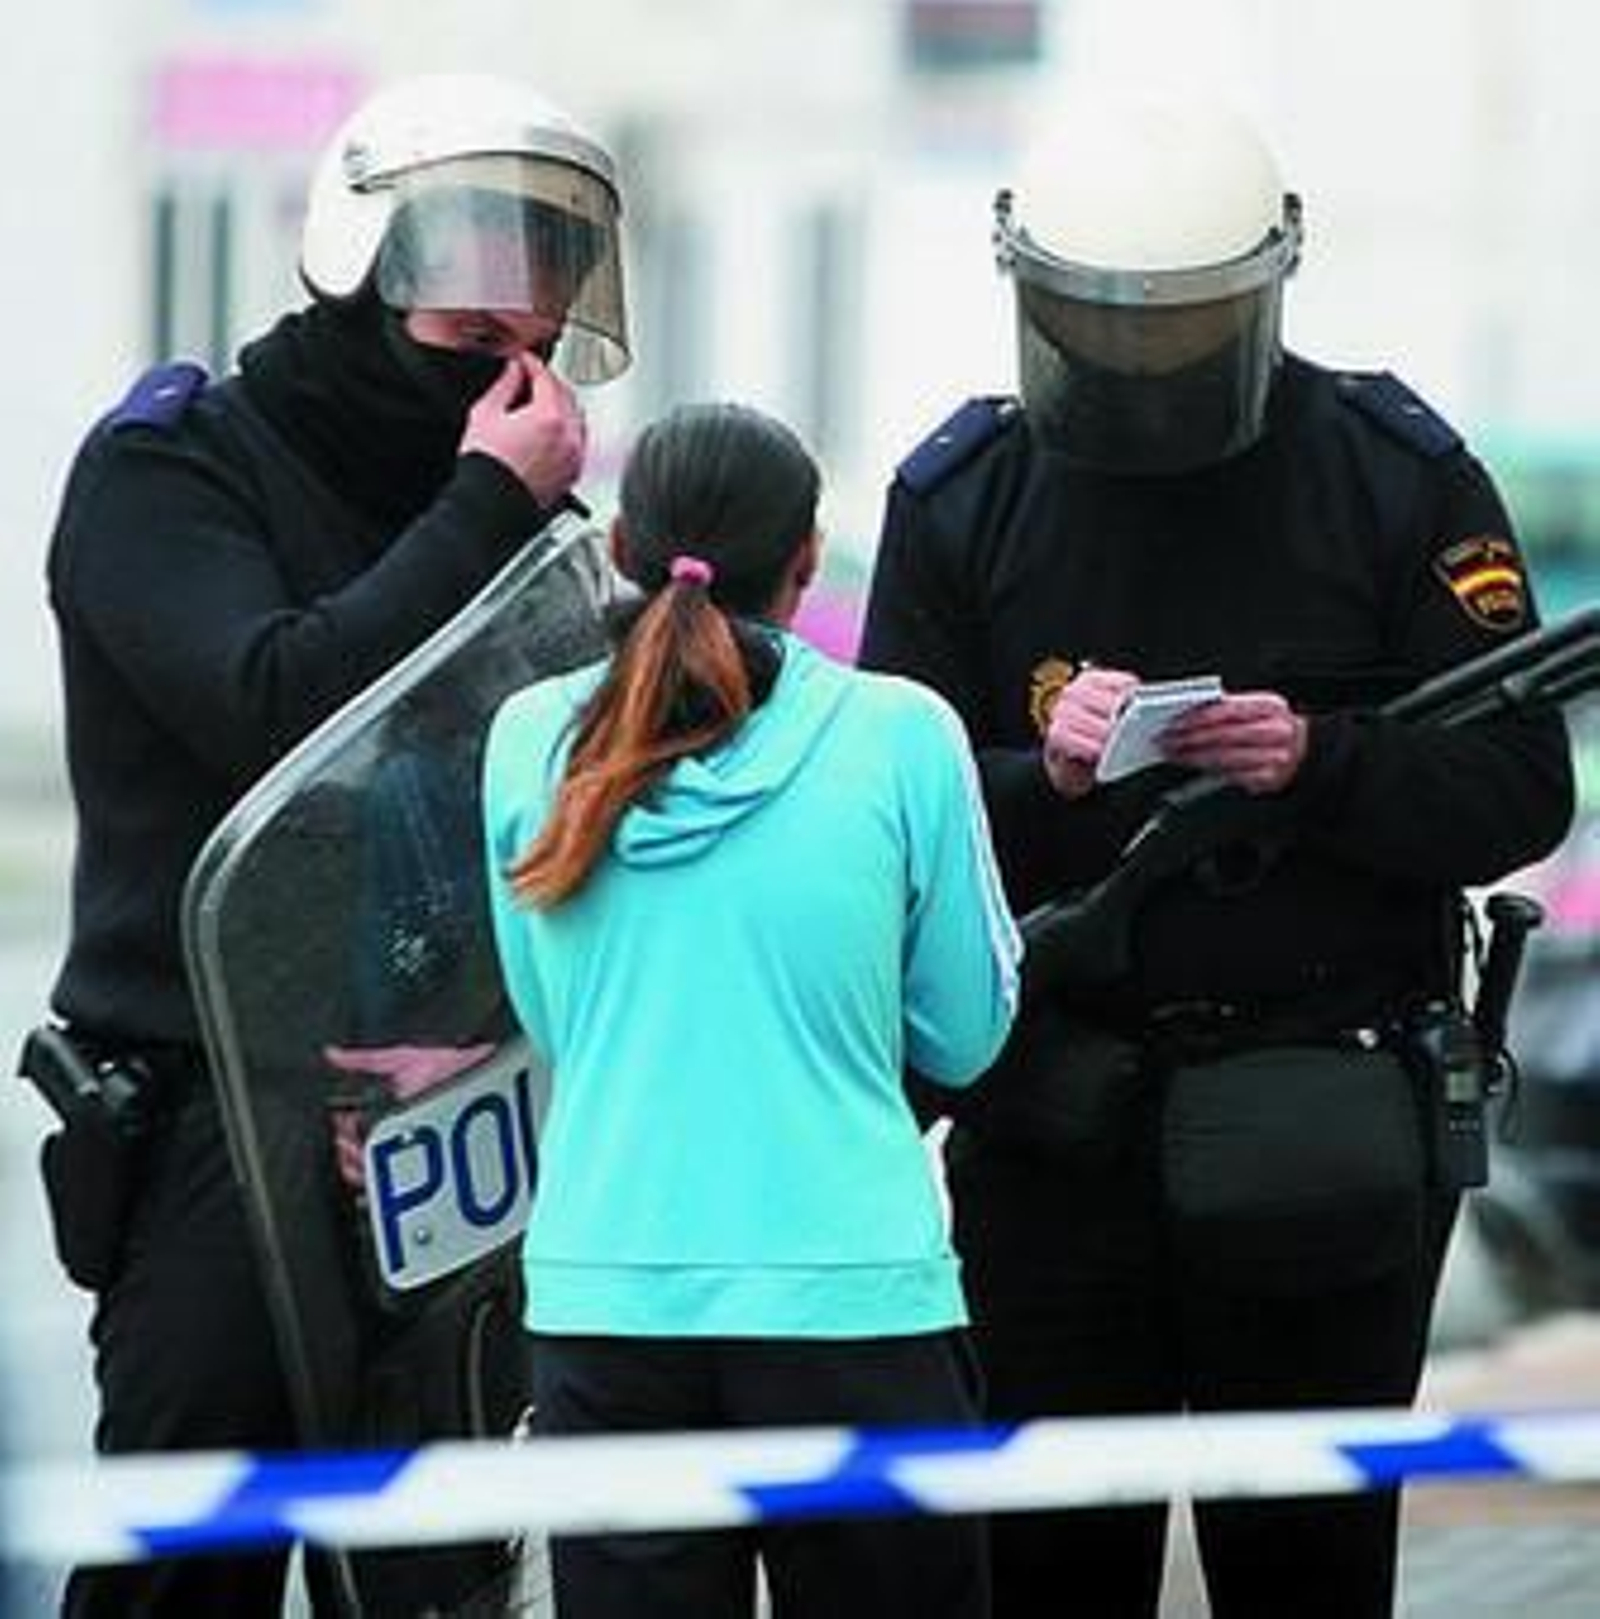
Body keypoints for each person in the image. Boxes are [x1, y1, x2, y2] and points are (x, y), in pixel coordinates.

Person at [858, 87, 1576, 1618]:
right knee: (1049, 1566)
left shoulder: (1395, 473)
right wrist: (1043, 771)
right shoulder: (963, 499)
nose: (1146, 371)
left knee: (1309, 1569)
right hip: (1054, 1123)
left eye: (1186, 328)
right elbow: (891, 815)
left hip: (1320, 1121)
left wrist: (1323, 760)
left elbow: (1517, 787)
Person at [31, 71, 628, 1617]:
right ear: (360, 262)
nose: (515, 361)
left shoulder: (499, 507)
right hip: (216, 1116)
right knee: (192, 1575)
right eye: (470, 328)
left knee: (438, 1579)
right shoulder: (173, 470)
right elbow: (274, 707)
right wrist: (491, 502)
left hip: (447, 1114)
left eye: (542, 325)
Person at [481, 401, 1022, 1619]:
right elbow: (968, 1034)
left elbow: (550, 1011)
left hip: (605, 1296)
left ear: (618, 546)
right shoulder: (901, 735)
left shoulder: (526, 738)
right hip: (857, 1299)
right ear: (806, 561)